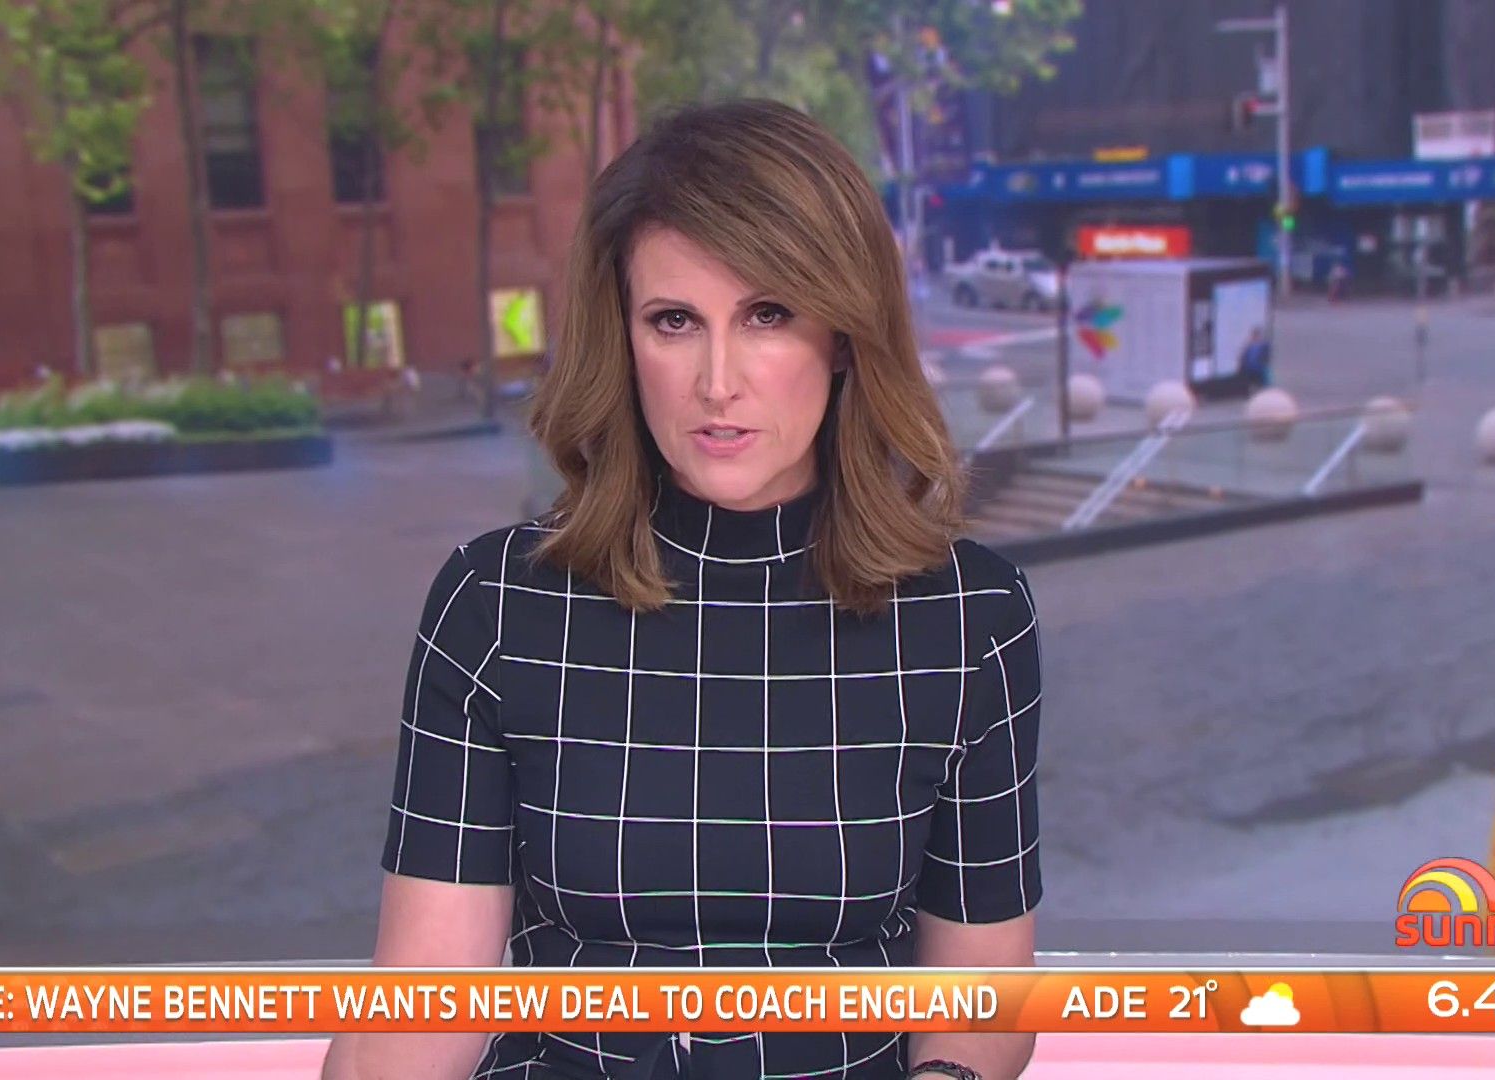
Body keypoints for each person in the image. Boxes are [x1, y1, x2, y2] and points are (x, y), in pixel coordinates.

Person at [322, 99, 1044, 1080]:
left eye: (767, 316)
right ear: (623, 341)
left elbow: (983, 1002)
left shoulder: (969, 620)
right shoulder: (494, 606)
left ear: (843, 335)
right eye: (674, 321)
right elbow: (419, 1012)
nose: (717, 382)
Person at [1238, 323, 1273, 389]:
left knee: (1261, 384)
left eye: (1256, 335)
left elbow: (1266, 356)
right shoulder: (1249, 345)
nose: (1255, 336)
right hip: (1250, 370)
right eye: (1254, 335)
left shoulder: (1264, 345)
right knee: (1250, 384)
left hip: (1259, 369)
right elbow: (1243, 357)